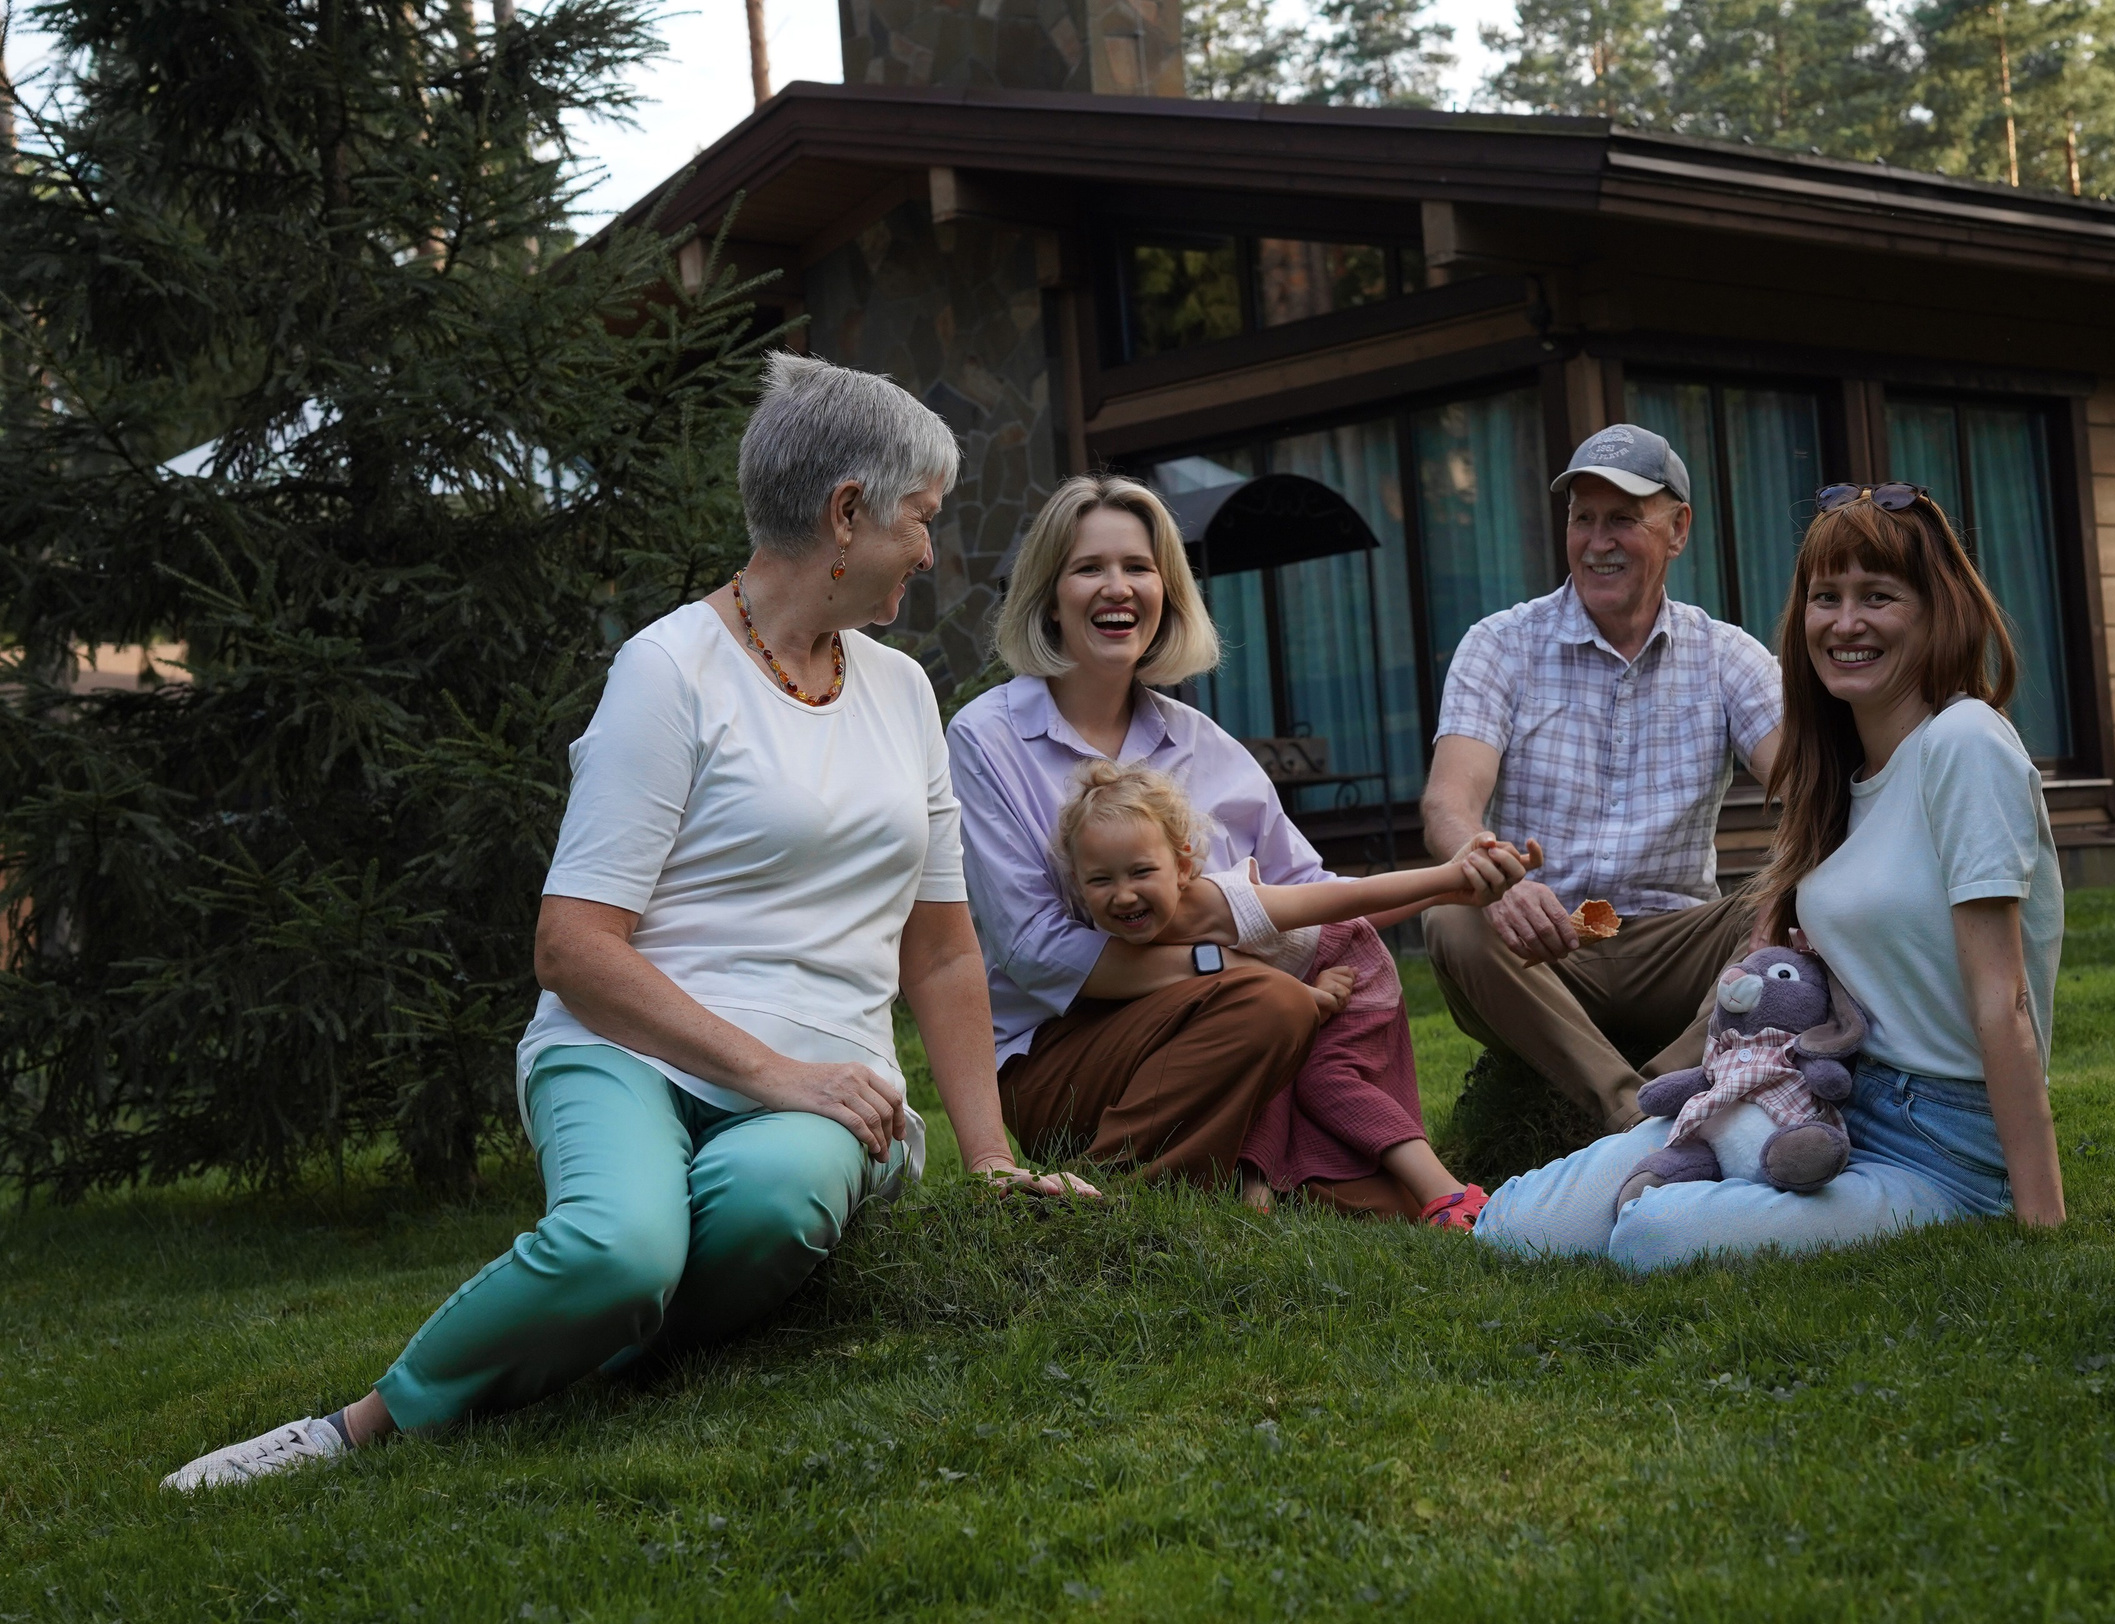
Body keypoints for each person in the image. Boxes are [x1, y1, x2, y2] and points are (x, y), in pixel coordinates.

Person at [163, 356, 1087, 1492]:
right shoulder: (667, 670)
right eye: (921, 519)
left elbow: (939, 952)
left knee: (776, 1203)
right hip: (626, 1051)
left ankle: (589, 1350)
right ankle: (356, 1428)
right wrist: (775, 1073)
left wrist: (989, 1160)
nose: (931, 551)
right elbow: (573, 947)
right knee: (619, 1246)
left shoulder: (902, 695)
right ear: (847, 513)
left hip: (824, 1084)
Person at [1472, 480, 2069, 1270]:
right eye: (1827, 597)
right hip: (1816, 1097)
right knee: (1516, 1229)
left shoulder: (1964, 743)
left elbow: (2005, 1000)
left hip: (1940, 1144)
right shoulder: (1841, 773)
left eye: (1878, 597)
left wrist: (2040, 1219)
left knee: (1653, 1236)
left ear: (1937, 612)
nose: (1846, 623)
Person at [947, 473, 1525, 1214]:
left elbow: (1314, 899)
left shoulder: (1205, 746)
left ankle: (1263, 1176)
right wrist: (1220, 965)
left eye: (1139, 567)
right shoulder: (987, 737)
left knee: (1366, 1177)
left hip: (1221, 1032)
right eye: (1089, 568)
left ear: (1167, 592)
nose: (1117, 588)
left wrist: (1449, 881)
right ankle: (1112, 1202)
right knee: (1271, 1001)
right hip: (1061, 1054)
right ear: (1049, 598)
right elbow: (1033, 951)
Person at [1419, 423, 1784, 1136]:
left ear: (1678, 530)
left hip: (1674, 944)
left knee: (1797, 901)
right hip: (1546, 948)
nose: (1596, 542)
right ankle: (1630, 1112)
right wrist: (1495, 873)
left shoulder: (1727, 655)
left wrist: (1793, 885)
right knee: (1452, 914)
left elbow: (1807, 786)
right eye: (1582, 518)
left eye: (1622, 519)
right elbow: (1447, 804)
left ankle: (1667, 1082)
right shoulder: (1500, 644)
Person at [1053, 757, 1531, 1227]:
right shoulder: (1116, 933)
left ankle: (1447, 1194)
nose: (1124, 894)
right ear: (1077, 882)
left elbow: (1343, 900)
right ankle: (1257, 1201)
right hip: (1283, 990)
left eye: (1141, 872)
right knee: (1257, 1077)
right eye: (1101, 879)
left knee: (1328, 1082)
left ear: (1181, 867)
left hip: (1349, 968)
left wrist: (1450, 878)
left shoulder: (1220, 904)